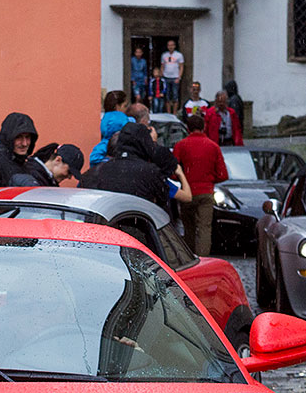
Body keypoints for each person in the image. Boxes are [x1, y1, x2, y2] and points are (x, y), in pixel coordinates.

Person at [80, 121, 190, 210]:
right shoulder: (150, 173)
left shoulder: (96, 172)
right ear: (144, 144)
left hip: (106, 232)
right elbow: (163, 204)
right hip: (139, 231)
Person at [174, 114, 228, 255]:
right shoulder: (213, 146)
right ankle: (203, 257)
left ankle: (189, 256)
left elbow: (173, 171)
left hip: (187, 192)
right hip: (206, 192)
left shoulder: (181, 145)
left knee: (188, 227)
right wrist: (208, 179)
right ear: (204, 127)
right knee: (204, 227)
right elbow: (223, 175)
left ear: (187, 128)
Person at [10, 143, 83, 187]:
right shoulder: (29, 178)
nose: (69, 177)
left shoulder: (44, 179)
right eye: (69, 172)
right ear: (58, 160)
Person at [89, 93, 132, 167]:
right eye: (125, 106)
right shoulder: (127, 147)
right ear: (117, 107)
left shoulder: (99, 150)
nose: (126, 110)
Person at [160, 40, 184, 114]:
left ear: (174, 46)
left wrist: (179, 77)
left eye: (172, 45)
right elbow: (162, 66)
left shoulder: (179, 55)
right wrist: (162, 75)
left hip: (175, 77)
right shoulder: (164, 55)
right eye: (169, 45)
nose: (170, 47)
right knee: (167, 96)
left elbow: (181, 66)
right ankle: (168, 113)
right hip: (166, 77)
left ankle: (174, 113)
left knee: (175, 95)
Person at [130, 45, 148, 109]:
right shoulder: (132, 60)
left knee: (142, 96)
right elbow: (131, 70)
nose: (138, 54)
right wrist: (132, 79)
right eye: (137, 52)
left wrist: (145, 79)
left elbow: (145, 71)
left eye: (140, 52)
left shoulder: (144, 61)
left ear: (142, 53)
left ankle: (141, 109)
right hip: (135, 79)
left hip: (142, 80)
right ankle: (136, 109)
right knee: (137, 96)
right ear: (135, 53)